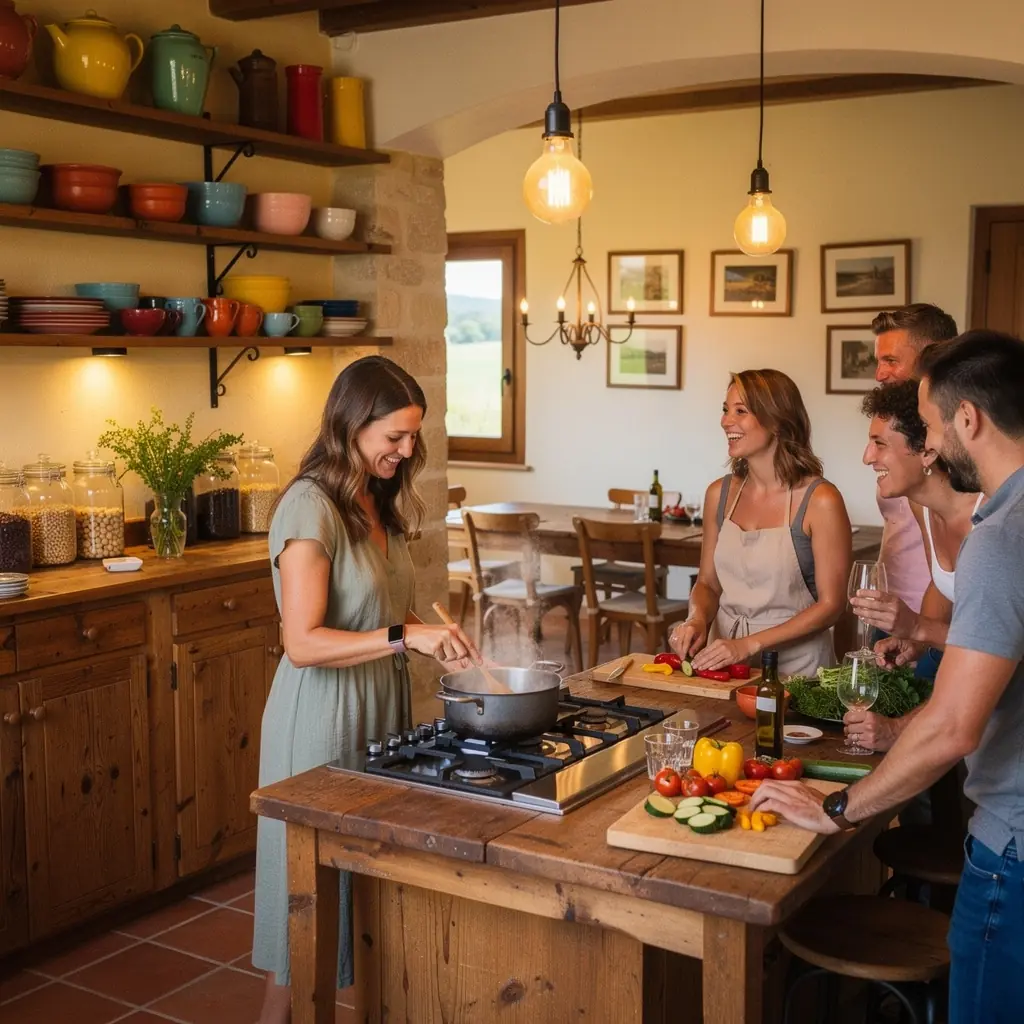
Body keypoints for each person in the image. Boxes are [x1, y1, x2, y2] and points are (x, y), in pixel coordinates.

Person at [751, 331, 1024, 1024]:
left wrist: (837, 809)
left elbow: (953, 726)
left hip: (1014, 846)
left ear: (968, 420)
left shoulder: (1001, 537)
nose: (929, 443)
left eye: (929, 426)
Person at [254, 356, 480, 1024]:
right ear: (351, 426)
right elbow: (303, 642)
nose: (407, 451)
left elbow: (378, 612)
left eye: (413, 436)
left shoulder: (375, 501)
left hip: (378, 710)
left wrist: (432, 635)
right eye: (394, 436)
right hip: (322, 716)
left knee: (358, 891)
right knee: (308, 903)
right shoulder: (310, 506)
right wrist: (404, 637)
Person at [669, 368, 852, 677]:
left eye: (741, 411)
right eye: (726, 410)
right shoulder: (719, 494)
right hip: (724, 665)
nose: (726, 421)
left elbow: (832, 606)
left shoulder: (821, 500)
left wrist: (748, 645)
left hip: (799, 673)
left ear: (777, 420)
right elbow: (708, 584)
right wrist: (697, 618)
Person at [846, 380, 984, 752]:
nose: (867, 457)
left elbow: (993, 646)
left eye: (879, 444)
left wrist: (918, 627)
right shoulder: (921, 505)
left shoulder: (987, 518)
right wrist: (916, 642)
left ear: (926, 451)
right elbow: (942, 584)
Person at [870, 304, 959, 637]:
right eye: (878, 361)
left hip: (943, 625)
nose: (880, 374)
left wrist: (921, 632)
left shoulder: (958, 443)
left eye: (891, 360)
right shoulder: (897, 429)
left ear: (932, 358)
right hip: (893, 612)